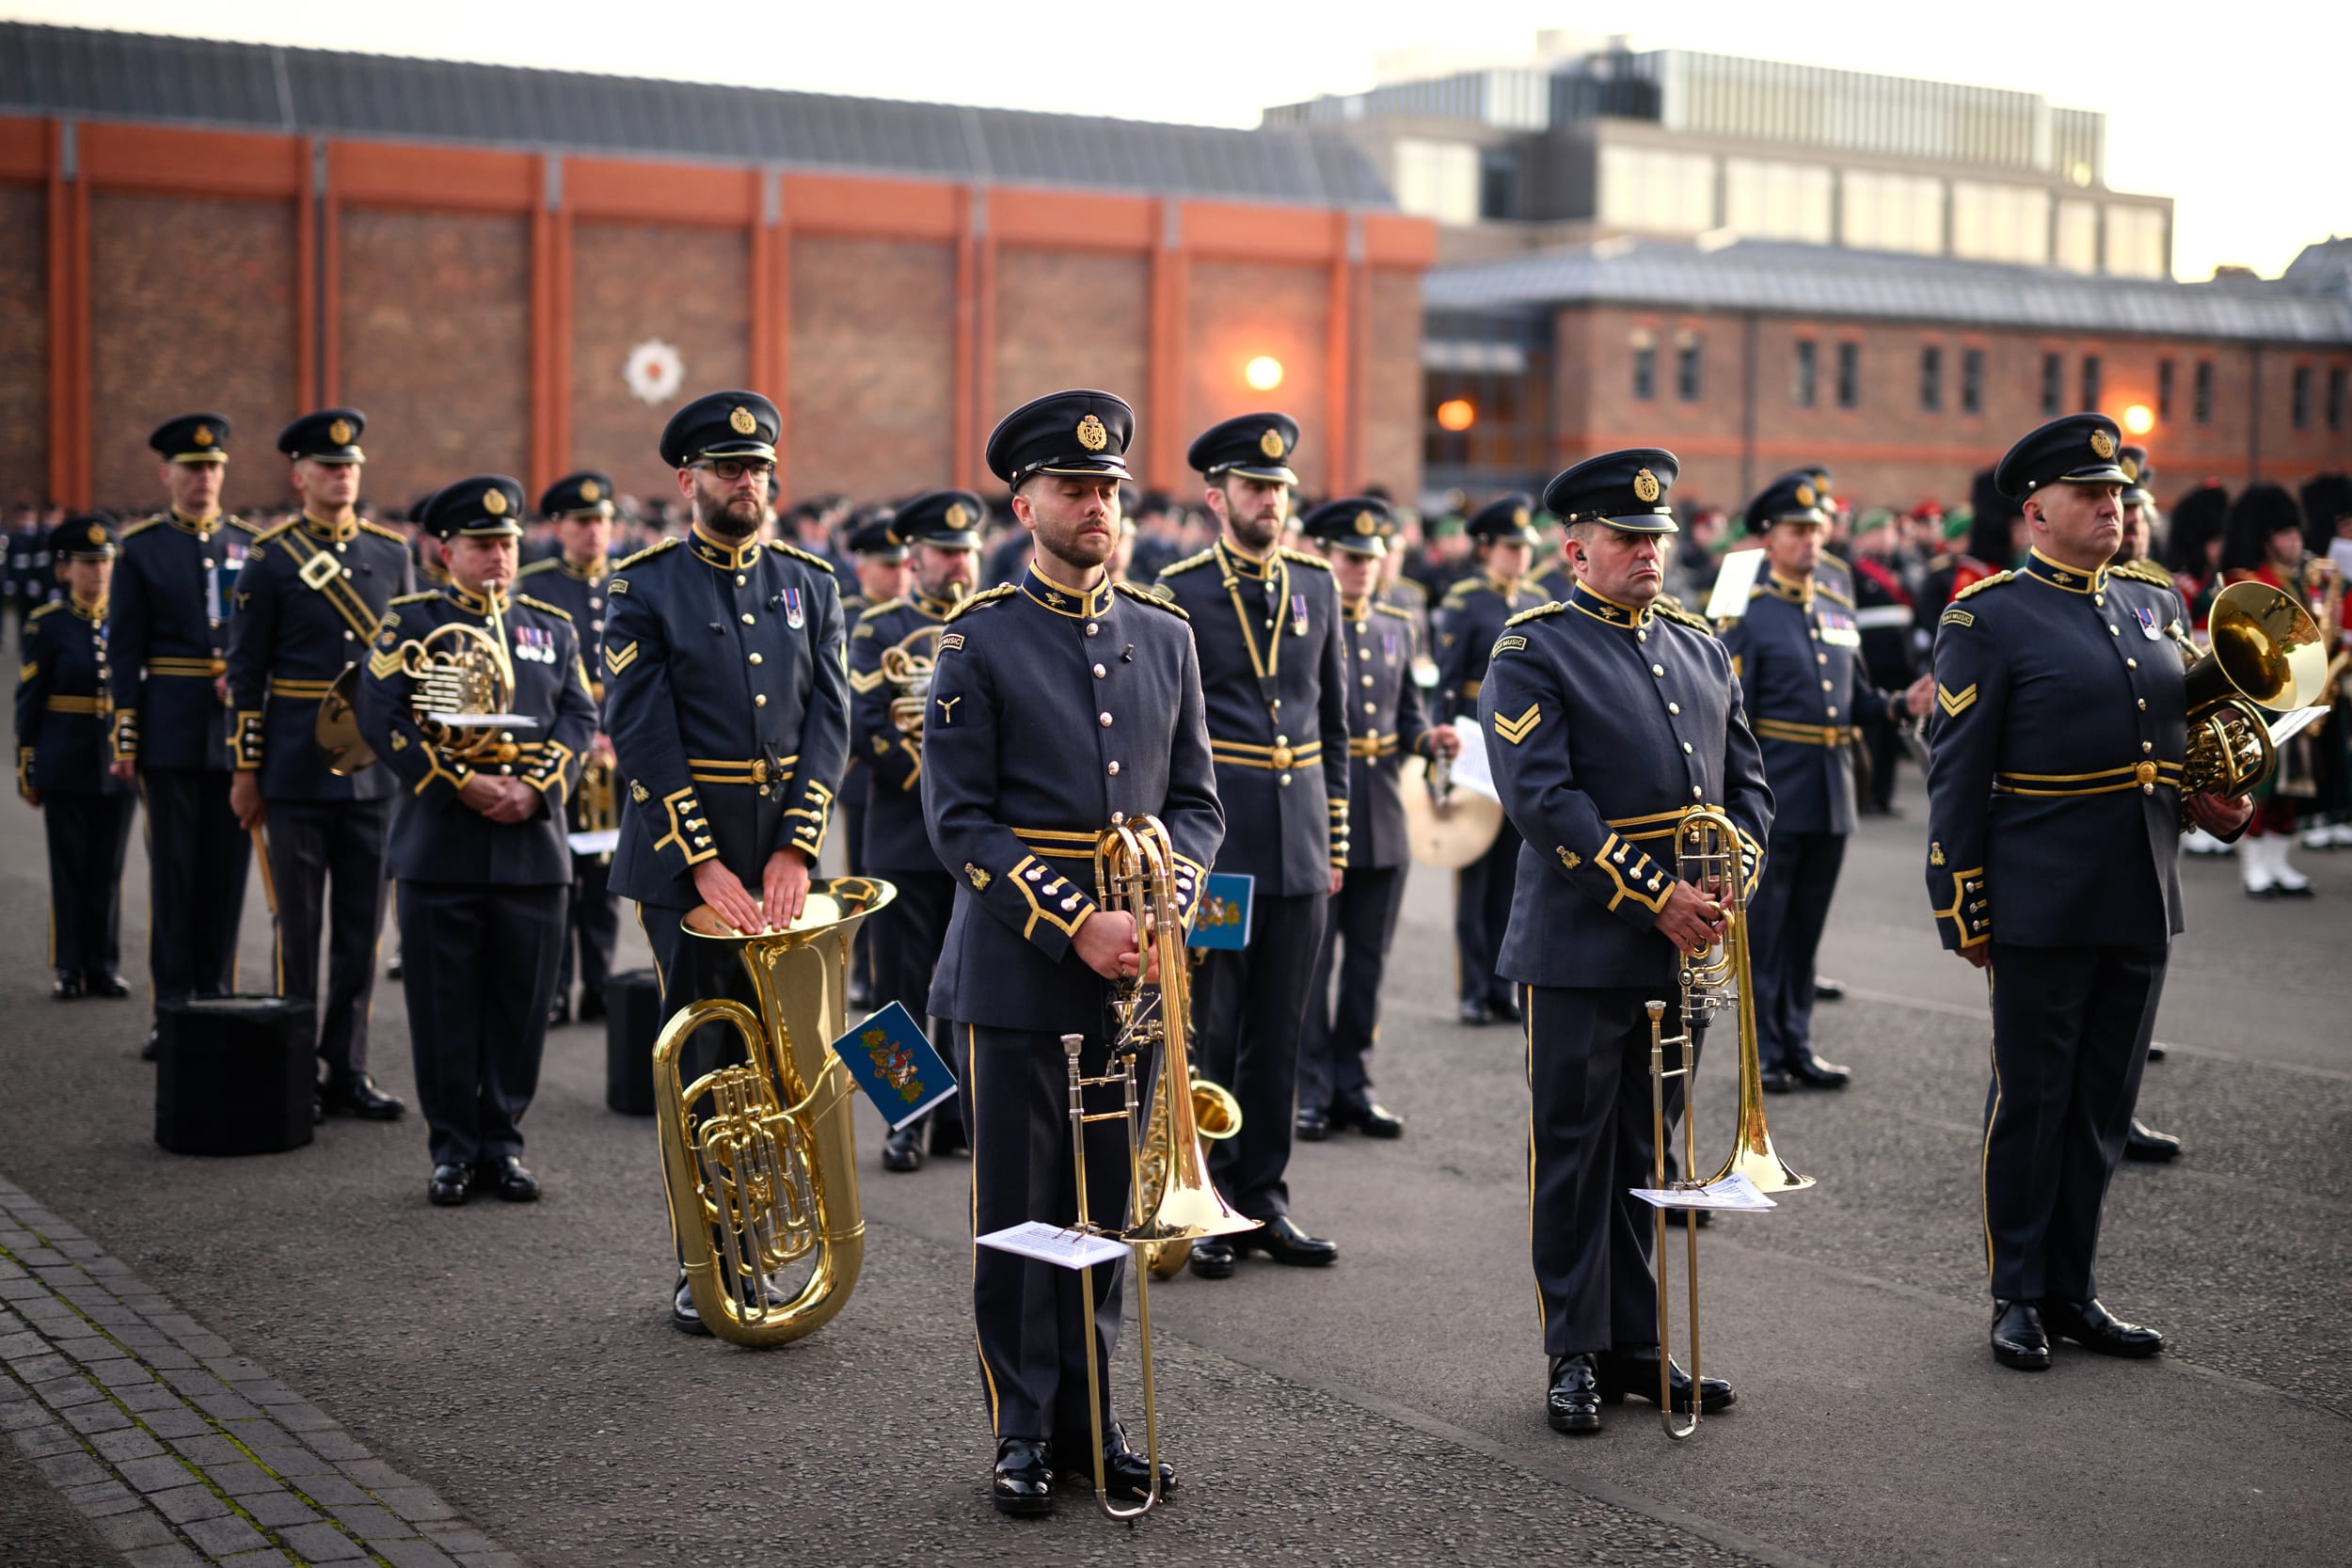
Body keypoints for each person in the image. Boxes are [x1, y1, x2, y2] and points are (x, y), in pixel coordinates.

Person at [924, 388, 1220, 1513]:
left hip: (1137, 970)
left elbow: (1194, 801)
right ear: (1025, 501)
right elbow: (960, 823)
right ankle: (1023, 1427)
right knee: (1022, 1210)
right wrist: (1074, 919)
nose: (1095, 505)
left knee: (1105, 1208)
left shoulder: (1165, 632)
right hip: (1018, 966)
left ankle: (1097, 1423)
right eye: (1073, 488)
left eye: (1108, 490)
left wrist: (1162, 904)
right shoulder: (980, 636)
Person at [1924, 413, 2251, 1373]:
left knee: (2103, 1103)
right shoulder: (1986, 617)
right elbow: (1954, 773)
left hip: (2139, 883)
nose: (2113, 506)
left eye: (2117, 492)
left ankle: (2072, 1287)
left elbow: (2166, 739)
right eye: (2090, 493)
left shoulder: (2150, 603)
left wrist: (2210, 800)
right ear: (2035, 511)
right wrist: (1962, 901)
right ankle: (2016, 1292)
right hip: (2040, 890)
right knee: (2033, 1099)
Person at [1480, 448, 1766, 1435]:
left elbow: (1745, 780)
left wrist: (1734, 875)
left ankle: (1636, 1343)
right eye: (1626, 538)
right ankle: (1572, 1348)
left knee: (1648, 1145)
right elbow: (1544, 801)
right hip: (1580, 940)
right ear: (1575, 548)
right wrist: (1655, 896)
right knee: (1572, 1149)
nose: (1647, 553)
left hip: (1680, 937)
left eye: (1655, 538)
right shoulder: (1533, 648)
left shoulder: (1698, 643)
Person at [601, 390, 849, 1334]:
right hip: (683, 862)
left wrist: (796, 846)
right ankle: (703, 1256)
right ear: (688, 480)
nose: (747, 482)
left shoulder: (810, 581)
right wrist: (703, 864)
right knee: (704, 1055)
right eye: (728, 468)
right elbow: (643, 731)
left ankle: (787, 1236)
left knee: (786, 1060)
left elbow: (832, 721)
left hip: (780, 857)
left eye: (757, 468)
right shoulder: (644, 585)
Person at [357, 477, 596, 1206]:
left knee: (520, 1008)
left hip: (531, 844)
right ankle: (453, 1148)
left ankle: (504, 1142)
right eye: (482, 544)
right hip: (442, 842)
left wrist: (538, 786)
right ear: (445, 550)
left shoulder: (551, 625)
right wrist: (456, 781)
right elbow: (378, 711)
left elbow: (579, 717)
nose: (498, 556)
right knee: (443, 1005)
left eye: (507, 543)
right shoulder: (410, 622)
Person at [1153, 411, 1348, 1278]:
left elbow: (1334, 725)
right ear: (1216, 496)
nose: (1270, 500)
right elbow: (1163, 739)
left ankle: (1265, 1198)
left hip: (1301, 845)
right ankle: (1205, 1202)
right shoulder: (1179, 588)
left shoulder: (1319, 583)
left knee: (1282, 1028)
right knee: (1212, 1026)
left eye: (1278, 488)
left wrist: (1335, 835)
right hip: (1222, 851)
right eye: (1254, 487)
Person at [224, 409, 413, 1121]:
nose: (342, 475)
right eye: (328, 466)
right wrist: (246, 770)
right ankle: (294, 1064)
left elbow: (401, 665)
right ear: (299, 475)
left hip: (371, 770)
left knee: (361, 931)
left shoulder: (393, 554)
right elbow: (245, 673)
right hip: (296, 767)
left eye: (350, 465)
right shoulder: (270, 558)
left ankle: (348, 1067)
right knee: (298, 928)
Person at [1718, 475, 1932, 1093]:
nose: (1811, 541)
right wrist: (1737, 799)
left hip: (1834, 788)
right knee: (1767, 930)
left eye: (1817, 529)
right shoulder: (1748, 612)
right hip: (1776, 789)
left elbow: (1857, 697)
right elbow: (1733, 717)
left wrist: (1898, 703)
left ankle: (1798, 1042)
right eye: (1796, 531)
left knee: (1806, 930)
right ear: (1768, 538)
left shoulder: (1837, 606)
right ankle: (1762, 1053)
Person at [1295, 496, 1459, 1142]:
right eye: (1349, 558)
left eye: (1371, 558)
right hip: (1322, 810)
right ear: (1325, 558)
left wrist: (1430, 740)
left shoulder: (1397, 624)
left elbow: (1407, 717)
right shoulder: (1303, 622)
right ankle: (1311, 1087)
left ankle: (1354, 1084)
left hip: (1384, 815)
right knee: (1312, 965)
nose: (1363, 568)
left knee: (1367, 964)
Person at [109, 414, 258, 1055]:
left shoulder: (253, 545)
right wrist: (125, 734)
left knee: (227, 873)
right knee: (172, 872)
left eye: (213, 467)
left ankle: (215, 994)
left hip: (232, 735)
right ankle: (171, 1007)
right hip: (169, 728)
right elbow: (123, 651)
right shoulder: (142, 548)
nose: (204, 478)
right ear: (166, 473)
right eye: (192, 468)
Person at [850, 489, 982, 1172]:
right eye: (943, 553)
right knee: (895, 986)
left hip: (976, 842)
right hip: (904, 833)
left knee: (968, 985)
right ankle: (905, 1117)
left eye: (966, 552)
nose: (957, 565)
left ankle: (958, 1118)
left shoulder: (996, 621)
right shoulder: (878, 627)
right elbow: (870, 721)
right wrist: (940, 787)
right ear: (917, 557)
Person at [516, 471, 623, 1026]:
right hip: (561, 749)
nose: (593, 532)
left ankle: (601, 984)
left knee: (603, 880)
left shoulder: (630, 582)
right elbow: (532, 679)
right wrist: (576, 738)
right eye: (582, 523)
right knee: (558, 874)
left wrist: (616, 735)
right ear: (559, 528)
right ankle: (554, 987)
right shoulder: (534, 586)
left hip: (616, 756)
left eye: (601, 521)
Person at [1435, 495, 1545, 1026]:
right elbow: (1448, 682)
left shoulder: (1539, 597)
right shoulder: (1466, 600)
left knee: (1514, 876)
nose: (1520, 557)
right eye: (1510, 547)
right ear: (1486, 549)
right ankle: (1473, 989)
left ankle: (1505, 988)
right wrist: (1442, 760)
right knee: (1475, 877)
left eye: (1525, 547)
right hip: (1475, 746)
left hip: (1522, 751)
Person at [16, 516, 136, 1000]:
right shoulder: (48, 625)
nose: (99, 573)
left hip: (115, 761)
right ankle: (69, 966)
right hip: (65, 758)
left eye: (105, 562)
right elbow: (30, 699)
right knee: (70, 868)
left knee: (108, 869)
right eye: (88, 564)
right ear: (64, 570)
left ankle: (102, 964)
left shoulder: (127, 621)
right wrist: (29, 762)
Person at [2217, 484, 2320, 898]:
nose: (2295, 541)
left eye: (2296, 533)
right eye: (2286, 533)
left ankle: (2278, 863)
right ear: (2267, 538)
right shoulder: (2248, 580)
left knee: (2291, 787)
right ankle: (2254, 866)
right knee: (2259, 784)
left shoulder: (2297, 579)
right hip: (2258, 696)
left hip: (2297, 693)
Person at [837, 513, 914, 1009]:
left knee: (938, 987)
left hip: (947, 823)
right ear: (863, 567)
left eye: (905, 563)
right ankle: (861, 968)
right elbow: (859, 715)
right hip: (874, 780)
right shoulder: (855, 620)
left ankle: (954, 1091)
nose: (900, 574)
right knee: (868, 889)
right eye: (890, 565)